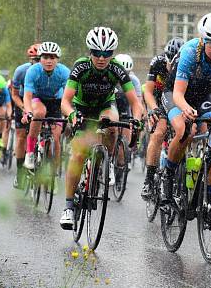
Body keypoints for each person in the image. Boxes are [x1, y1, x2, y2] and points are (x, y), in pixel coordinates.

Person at [59, 27, 143, 229]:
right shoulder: (80, 67)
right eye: (97, 53)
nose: (101, 58)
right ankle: (69, 207)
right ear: (90, 52)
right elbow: (65, 101)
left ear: (112, 54)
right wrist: (72, 114)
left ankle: (108, 161)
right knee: (78, 155)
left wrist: (136, 120)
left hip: (105, 107)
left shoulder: (117, 69)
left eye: (107, 54)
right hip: (82, 109)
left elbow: (135, 103)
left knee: (112, 125)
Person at [161, 12, 211, 204]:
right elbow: (177, 93)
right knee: (186, 130)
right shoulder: (190, 52)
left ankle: (210, 197)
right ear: (203, 40)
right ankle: (168, 174)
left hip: (203, 93)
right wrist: (185, 108)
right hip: (175, 93)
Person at [140, 38, 183, 200]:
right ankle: (149, 180)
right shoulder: (157, 62)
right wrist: (153, 109)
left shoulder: (186, 63)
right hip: (159, 100)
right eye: (169, 60)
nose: (171, 65)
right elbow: (148, 91)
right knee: (159, 132)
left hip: (178, 99)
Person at [22, 42, 70, 171]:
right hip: (38, 99)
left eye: (52, 58)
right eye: (45, 57)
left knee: (56, 138)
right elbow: (27, 96)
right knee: (39, 113)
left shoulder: (64, 72)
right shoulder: (33, 71)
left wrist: (70, 113)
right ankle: (30, 153)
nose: (49, 61)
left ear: (57, 59)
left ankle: (53, 174)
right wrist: (28, 112)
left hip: (56, 101)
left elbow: (69, 96)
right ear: (40, 58)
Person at [10, 43, 40, 187]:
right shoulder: (21, 71)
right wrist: (23, 108)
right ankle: (20, 173)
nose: (37, 63)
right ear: (30, 60)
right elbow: (14, 95)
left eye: (40, 59)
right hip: (23, 101)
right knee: (21, 136)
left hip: (42, 102)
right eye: (34, 60)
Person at [114, 53, 144, 149]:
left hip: (125, 106)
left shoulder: (134, 80)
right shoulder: (109, 77)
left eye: (127, 72)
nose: (123, 76)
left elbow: (138, 101)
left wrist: (137, 118)